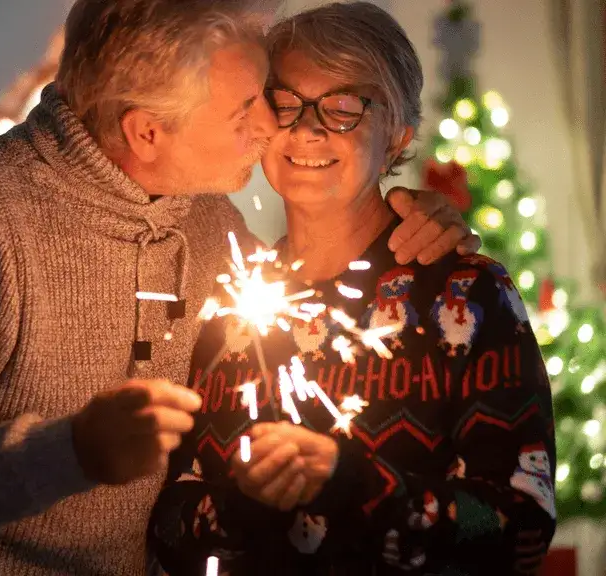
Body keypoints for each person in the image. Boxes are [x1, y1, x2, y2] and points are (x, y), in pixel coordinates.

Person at [0, 0, 478, 574]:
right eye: (244, 108)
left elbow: (310, 289)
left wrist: (410, 214)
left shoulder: (206, 219)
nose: (270, 126)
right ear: (147, 131)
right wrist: (73, 450)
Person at [149, 3, 556, 575]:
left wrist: (354, 481)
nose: (309, 128)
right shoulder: (233, 302)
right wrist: (244, 500)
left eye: (344, 106)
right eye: (287, 102)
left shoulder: (465, 293)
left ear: (397, 135)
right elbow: (169, 525)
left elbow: (522, 528)